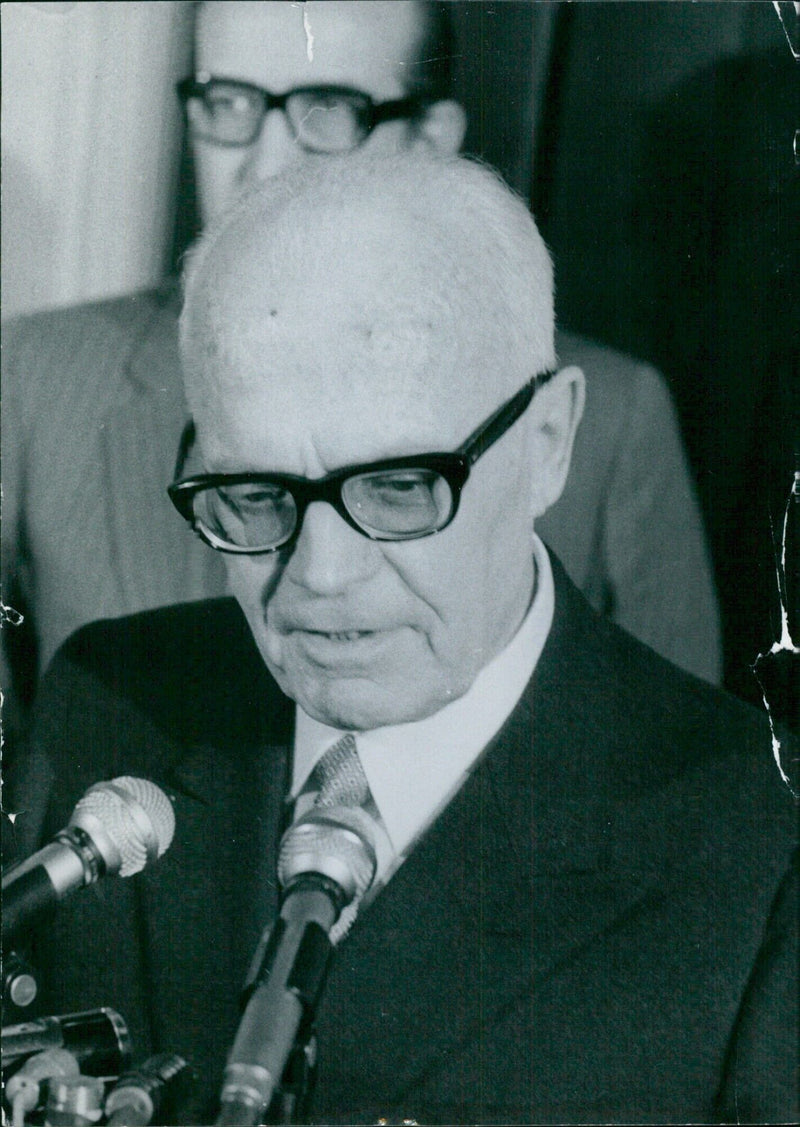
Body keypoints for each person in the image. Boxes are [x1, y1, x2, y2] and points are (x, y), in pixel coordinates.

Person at [15, 153, 797, 1126]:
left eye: (396, 487)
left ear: (548, 442)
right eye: (254, 495)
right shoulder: (112, 695)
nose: (320, 575)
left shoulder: (765, 851)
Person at [1, 1, 721, 753]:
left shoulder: (609, 416)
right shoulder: (37, 375)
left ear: (429, 139)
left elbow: (676, 779)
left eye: (327, 109)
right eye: (231, 103)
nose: (264, 162)